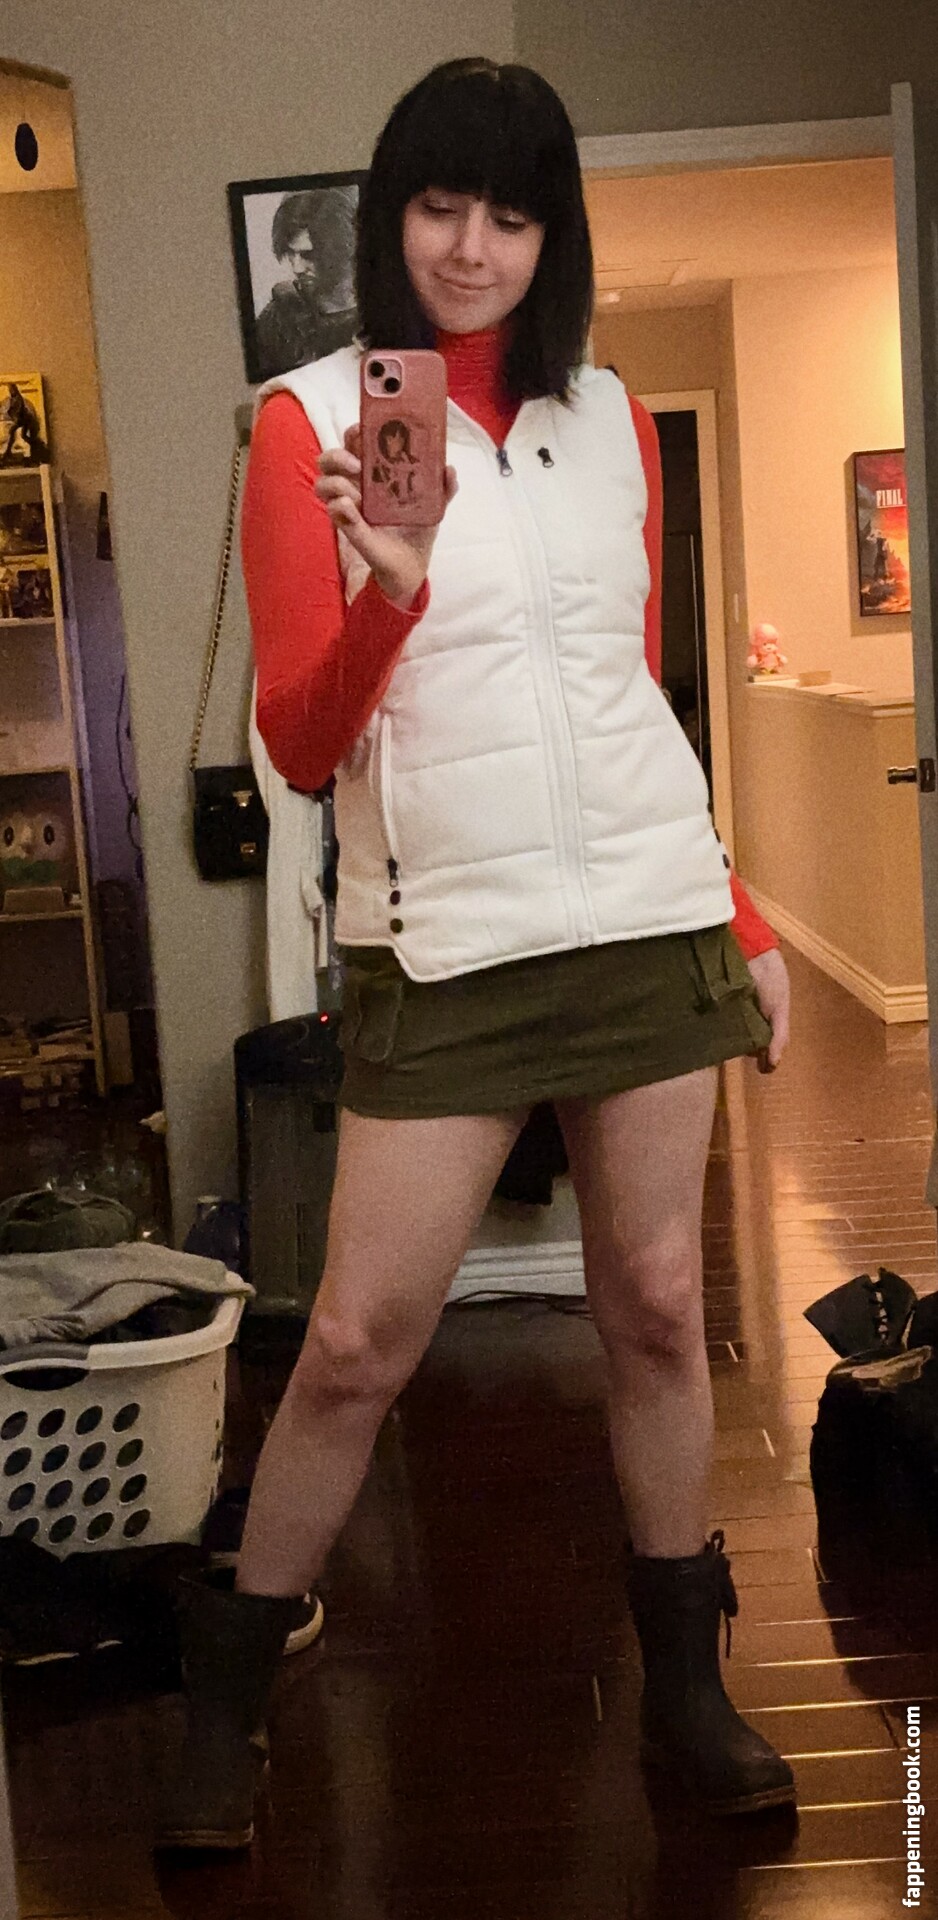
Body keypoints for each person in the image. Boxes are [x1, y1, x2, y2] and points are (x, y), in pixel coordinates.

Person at [157, 57, 795, 1853]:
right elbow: (301, 747)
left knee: (654, 1308)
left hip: (648, 925)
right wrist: (392, 581)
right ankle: (228, 1696)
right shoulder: (307, 423)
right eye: (439, 205)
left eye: (510, 214)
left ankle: (684, 1684)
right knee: (358, 1342)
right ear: (392, 216)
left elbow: (630, 697)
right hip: (445, 947)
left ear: (549, 234)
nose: (469, 246)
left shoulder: (609, 417)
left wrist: (738, 915)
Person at [254, 187, 359, 378]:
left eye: (308, 255)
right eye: (290, 253)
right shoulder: (277, 319)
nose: (297, 268)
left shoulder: (382, 313)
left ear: (341, 251)